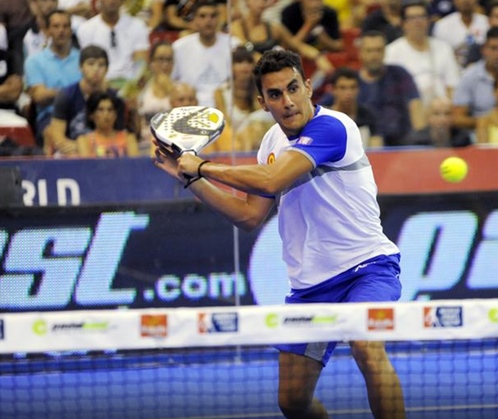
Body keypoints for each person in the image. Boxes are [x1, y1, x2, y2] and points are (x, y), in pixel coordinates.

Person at [152, 49, 406, 419]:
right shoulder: (271, 142)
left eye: (292, 89)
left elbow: (272, 179)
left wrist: (204, 164)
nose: (286, 102)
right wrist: (191, 180)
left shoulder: (333, 127)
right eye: (275, 95)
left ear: (307, 86)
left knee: (366, 346)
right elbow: (249, 216)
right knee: (292, 401)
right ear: (263, 101)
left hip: (366, 268)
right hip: (311, 286)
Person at [44, 44, 127, 156]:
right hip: (73, 151)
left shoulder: (115, 97)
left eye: (101, 65)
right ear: (80, 67)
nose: (96, 69)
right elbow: (57, 135)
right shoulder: (66, 95)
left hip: (106, 150)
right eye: (91, 64)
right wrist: (81, 147)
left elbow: (119, 135)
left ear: (107, 69)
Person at [384, 1, 460, 108]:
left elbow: (452, 86)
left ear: (429, 21)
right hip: (408, 111)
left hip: (442, 112)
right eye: (412, 18)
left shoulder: (443, 48)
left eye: (422, 17)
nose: (418, 22)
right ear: (403, 23)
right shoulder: (391, 52)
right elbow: (390, 91)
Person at [357, 30, 425, 146]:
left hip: (402, 141)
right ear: (361, 53)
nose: (375, 55)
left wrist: (420, 139)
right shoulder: (351, 83)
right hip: (364, 144)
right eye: (370, 51)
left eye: (379, 50)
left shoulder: (399, 74)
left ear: (385, 52)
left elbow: (415, 105)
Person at [24, 9, 82, 144]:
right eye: (56, 26)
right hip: (50, 116)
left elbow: (92, 91)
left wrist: (55, 92)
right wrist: (75, 92)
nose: (61, 30)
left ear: (71, 30)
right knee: (53, 135)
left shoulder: (83, 59)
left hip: (81, 114)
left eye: (65, 26)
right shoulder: (34, 61)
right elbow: (40, 96)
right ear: (48, 30)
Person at [171, 0, 239, 107]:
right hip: (190, 105)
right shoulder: (179, 47)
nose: (208, 20)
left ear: (219, 18)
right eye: (202, 16)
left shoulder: (234, 45)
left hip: (228, 105)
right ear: (194, 20)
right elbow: (171, 82)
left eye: (213, 16)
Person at [76, 0, 149, 89]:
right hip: (99, 85)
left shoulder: (138, 25)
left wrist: (132, 85)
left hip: (129, 83)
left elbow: (140, 61)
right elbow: (88, 65)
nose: (111, 1)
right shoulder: (85, 28)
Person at [328, 66, 382, 148]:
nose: (348, 93)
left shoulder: (369, 115)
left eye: (353, 87)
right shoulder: (325, 118)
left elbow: (377, 149)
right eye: (343, 88)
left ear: (358, 89)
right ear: (333, 90)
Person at [77, 91, 139, 157]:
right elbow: (85, 166)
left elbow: (135, 164)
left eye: (110, 110)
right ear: (91, 115)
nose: (106, 114)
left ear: (115, 114)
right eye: (100, 110)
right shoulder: (84, 141)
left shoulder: (129, 138)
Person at [403, 96, 472, 146]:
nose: (442, 119)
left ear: (453, 117)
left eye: (447, 113)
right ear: (428, 117)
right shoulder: (416, 140)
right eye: (436, 114)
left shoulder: (462, 138)